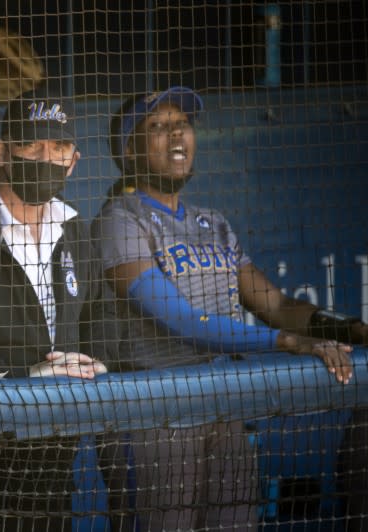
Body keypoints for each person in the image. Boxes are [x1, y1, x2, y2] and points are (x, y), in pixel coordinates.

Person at [91, 86, 366, 530]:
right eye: (157, 127)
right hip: (154, 411)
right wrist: (289, 342)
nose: (176, 133)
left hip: (224, 405)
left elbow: (275, 303)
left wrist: (351, 329)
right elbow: (180, 320)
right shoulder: (119, 219)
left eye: (182, 123)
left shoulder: (212, 222)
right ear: (129, 150)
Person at [0, 88, 126, 531]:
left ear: (74, 159)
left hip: (55, 458)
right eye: (31, 145)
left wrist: (94, 362)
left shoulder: (75, 229)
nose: (46, 158)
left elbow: (102, 312)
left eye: (59, 147)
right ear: (1, 151)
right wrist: (22, 375)